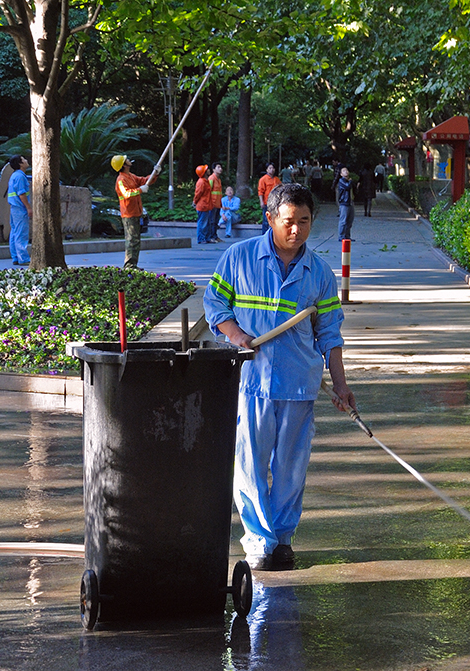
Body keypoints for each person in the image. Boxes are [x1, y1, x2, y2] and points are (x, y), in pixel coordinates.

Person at [203, 183, 355, 571]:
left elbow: (330, 333)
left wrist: (340, 384)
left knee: (291, 466)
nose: (296, 230)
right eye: (288, 221)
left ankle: (283, 538)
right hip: (251, 381)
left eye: (304, 222)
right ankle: (258, 540)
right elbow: (215, 304)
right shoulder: (239, 258)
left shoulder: (318, 273)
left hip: (300, 384)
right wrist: (237, 336)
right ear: (270, 218)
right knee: (250, 463)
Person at [112, 154, 157, 268]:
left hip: (135, 212)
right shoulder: (121, 180)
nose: (128, 159)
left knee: (135, 240)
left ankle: (133, 264)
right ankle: (129, 266)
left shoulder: (130, 176)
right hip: (129, 214)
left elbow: (143, 180)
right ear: (124, 165)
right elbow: (126, 194)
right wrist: (140, 190)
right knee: (132, 240)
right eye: (125, 159)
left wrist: (154, 173)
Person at [6, 155, 31, 266]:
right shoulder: (20, 177)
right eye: (24, 159)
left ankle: (15, 257)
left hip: (14, 208)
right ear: (20, 164)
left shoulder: (14, 176)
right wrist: (28, 208)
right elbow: (21, 194)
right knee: (21, 234)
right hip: (20, 209)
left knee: (14, 233)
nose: (26, 160)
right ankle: (23, 259)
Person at [194, 165, 215, 244]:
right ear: (204, 173)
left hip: (206, 205)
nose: (209, 170)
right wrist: (195, 202)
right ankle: (201, 238)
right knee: (203, 223)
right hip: (203, 206)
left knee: (207, 223)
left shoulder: (205, 181)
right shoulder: (202, 182)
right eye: (207, 170)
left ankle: (206, 238)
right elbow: (198, 194)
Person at [336, 166, 355, 241]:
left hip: (350, 202)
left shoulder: (348, 181)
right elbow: (347, 187)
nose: (346, 172)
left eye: (347, 171)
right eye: (344, 171)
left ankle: (347, 236)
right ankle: (341, 236)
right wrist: (350, 181)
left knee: (350, 220)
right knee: (343, 220)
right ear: (341, 174)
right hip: (344, 203)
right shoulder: (342, 181)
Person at [208, 163, 224, 243]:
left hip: (217, 204)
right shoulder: (211, 178)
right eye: (218, 167)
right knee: (212, 221)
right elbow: (208, 191)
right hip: (212, 203)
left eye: (220, 167)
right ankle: (211, 236)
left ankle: (215, 236)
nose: (220, 169)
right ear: (213, 169)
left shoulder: (218, 180)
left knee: (215, 221)